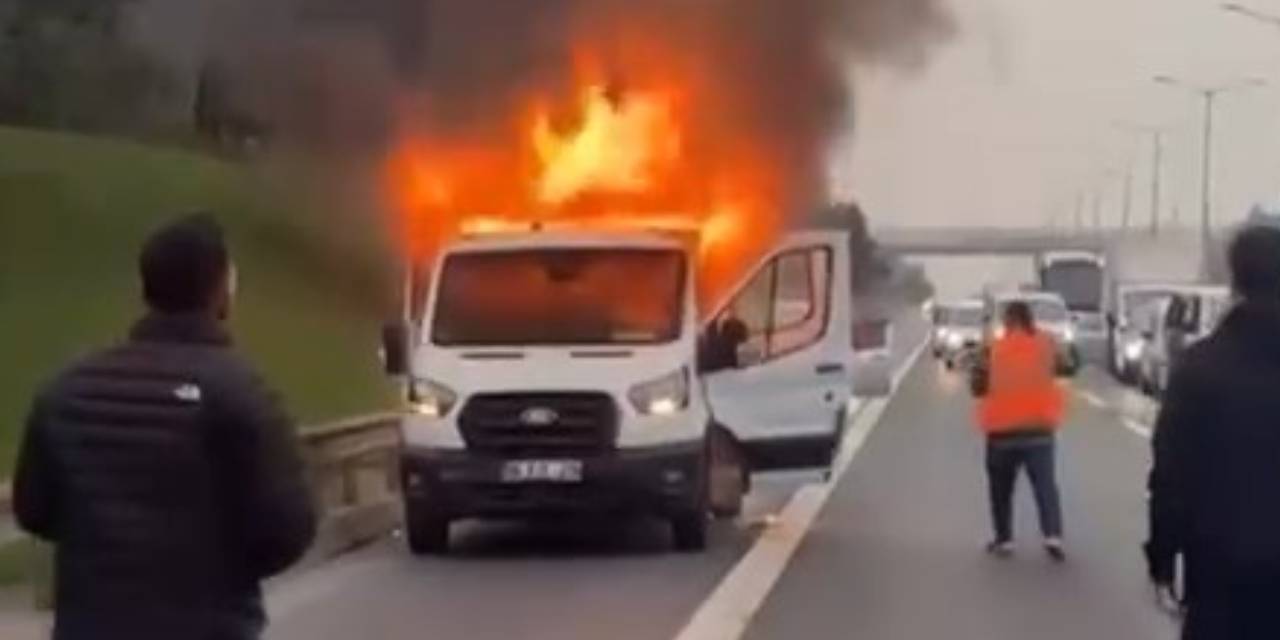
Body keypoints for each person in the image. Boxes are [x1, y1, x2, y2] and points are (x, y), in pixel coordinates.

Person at [13, 214, 317, 640]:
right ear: (221, 292)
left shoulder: (66, 390)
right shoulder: (242, 392)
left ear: (146, 287)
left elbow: (33, 508)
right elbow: (289, 528)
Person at [1147, 225, 1280, 638]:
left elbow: (1170, 473)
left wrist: (1163, 558)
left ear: (1235, 278)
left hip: (1221, 574)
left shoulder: (1199, 368)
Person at [974, 300, 1067, 561]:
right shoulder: (1047, 343)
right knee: (1045, 485)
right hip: (1039, 429)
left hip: (1001, 433)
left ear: (1007, 322)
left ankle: (1004, 539)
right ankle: (1052, 535)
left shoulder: (993, 348)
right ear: (1030, 320)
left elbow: (977, 385)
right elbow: (1070, 365)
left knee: (1001, 489)